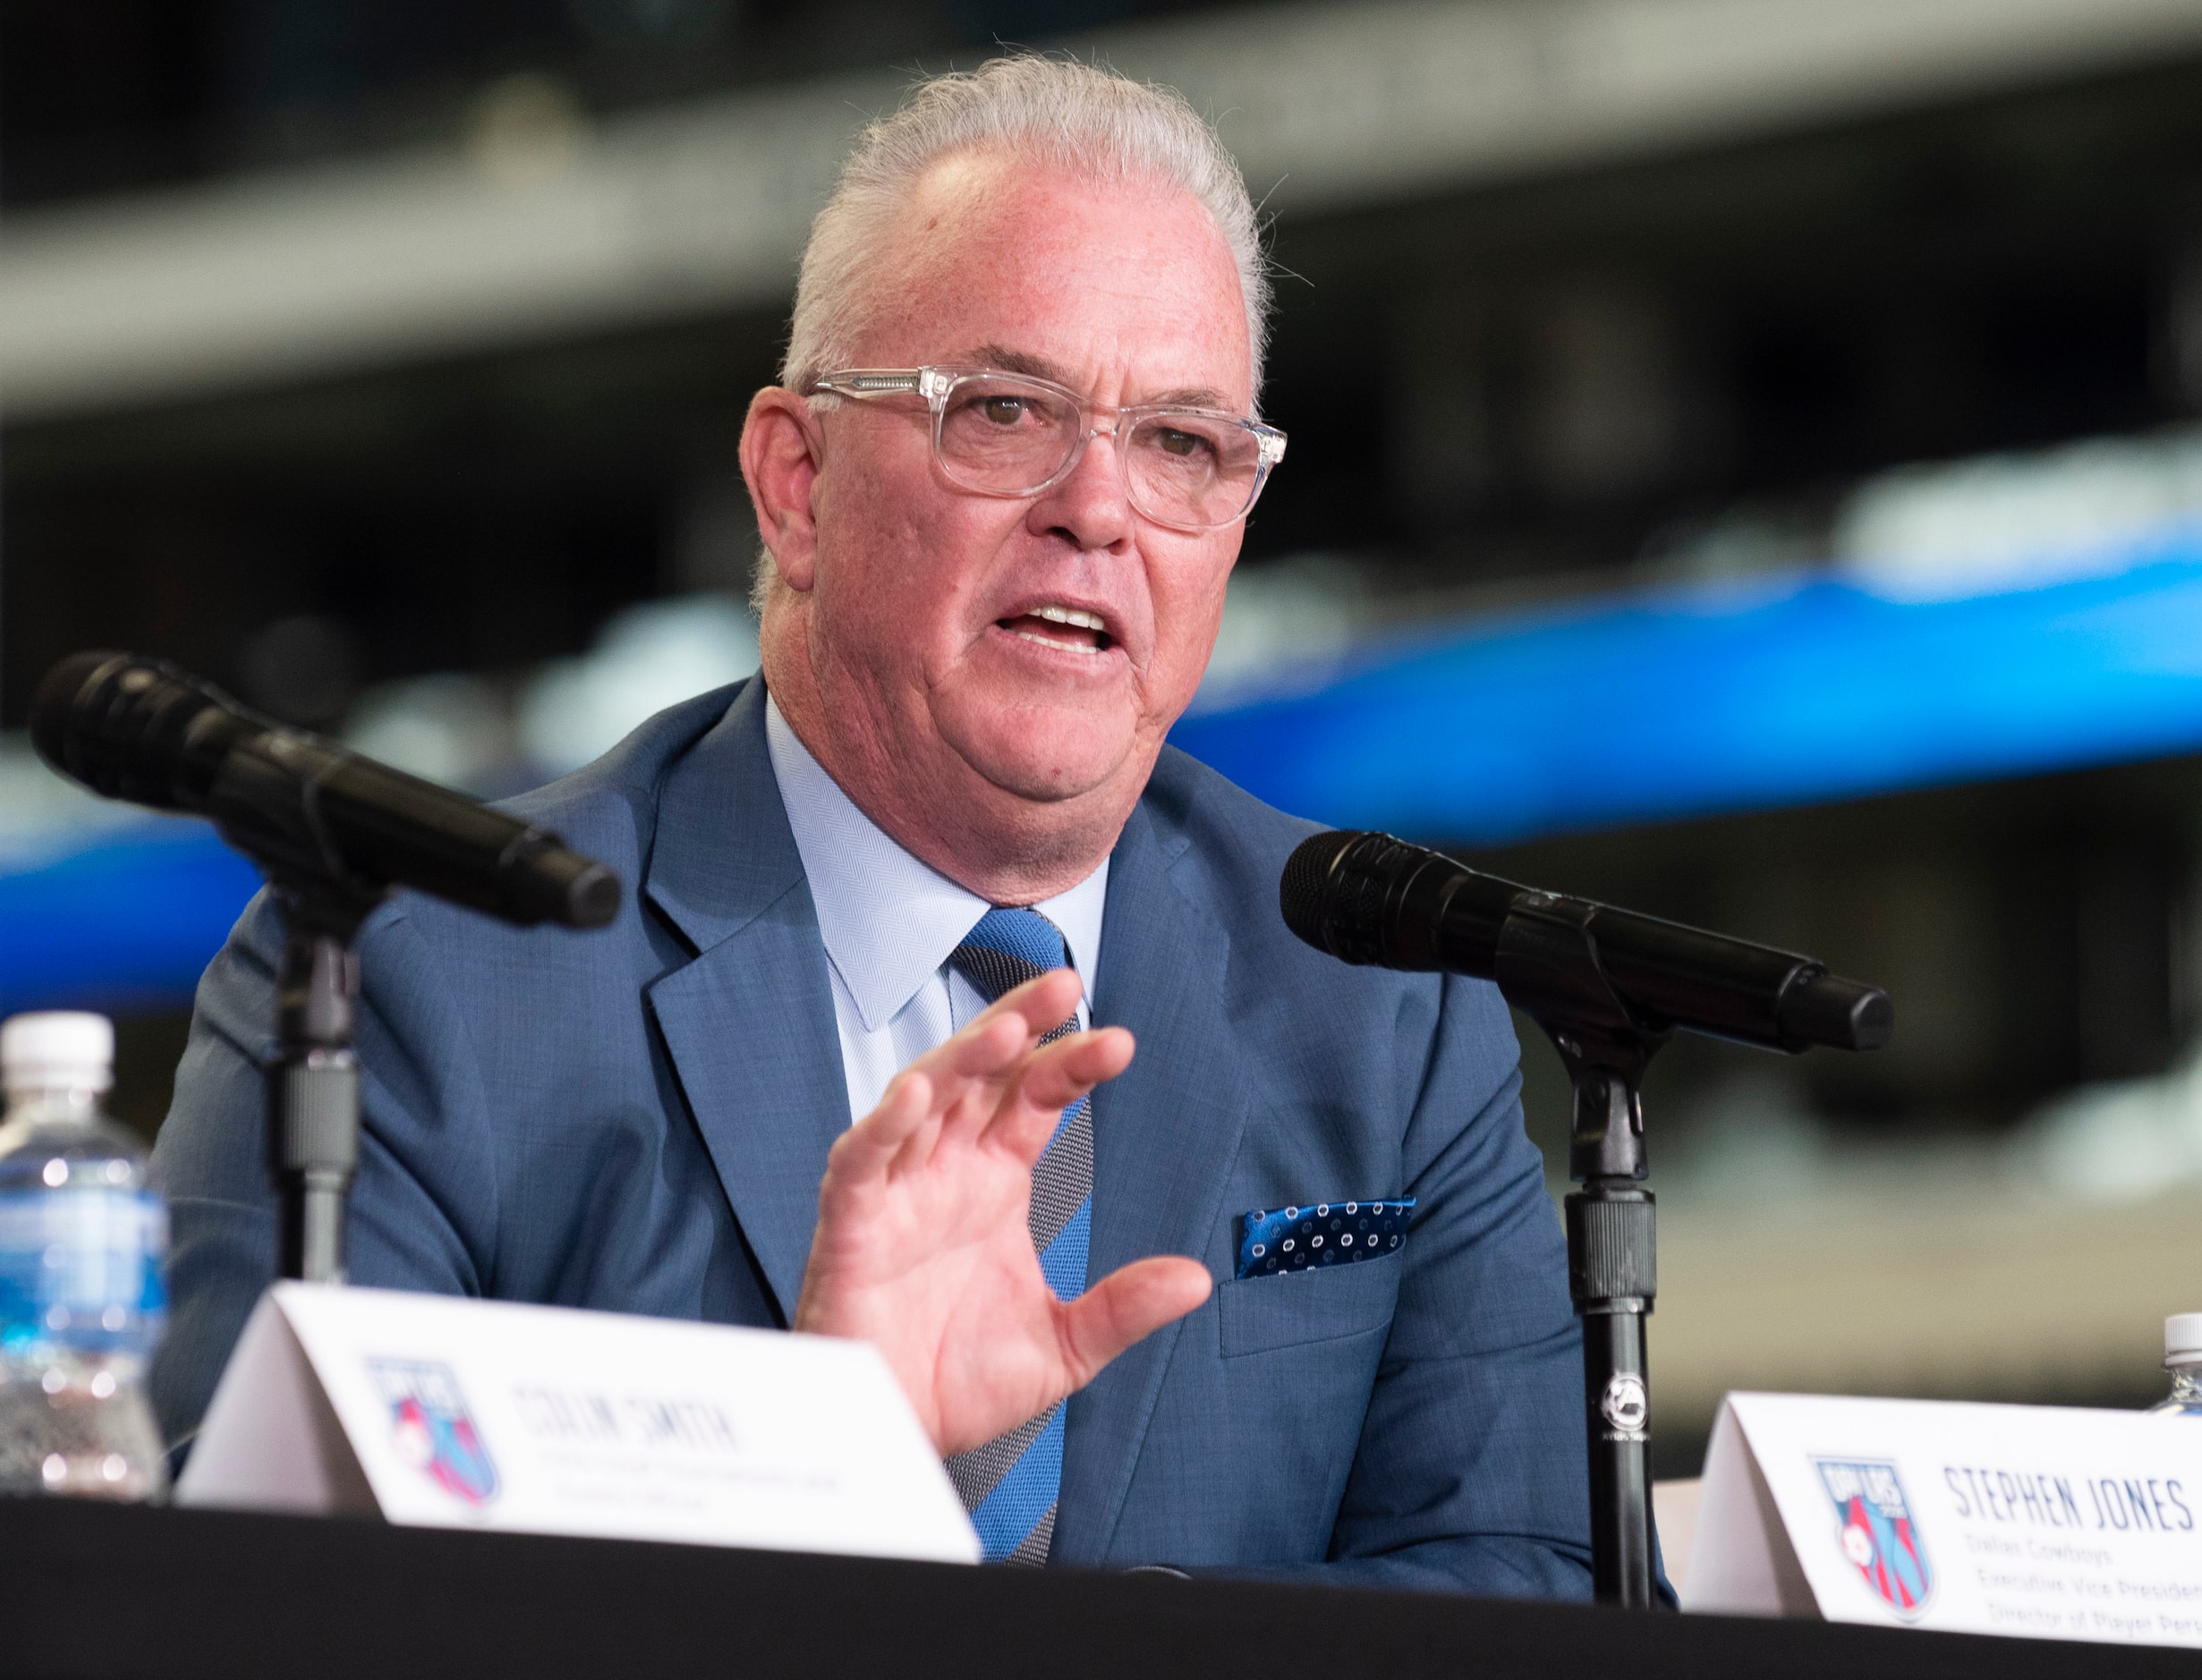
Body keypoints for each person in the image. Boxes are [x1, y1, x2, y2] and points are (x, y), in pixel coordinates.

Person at [154, 55, 1591, 1594]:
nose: (1097, 507)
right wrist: (827, 1495)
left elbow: (1515, 1579)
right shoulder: (418, 979)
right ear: (794, 484)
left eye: (1180, 442)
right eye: (1004, 409)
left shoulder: (1380, 999)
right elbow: (251, 1608)